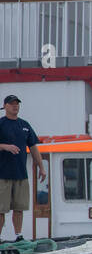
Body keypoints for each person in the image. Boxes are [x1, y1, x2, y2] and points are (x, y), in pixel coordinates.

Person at [0, 94, 45, 240]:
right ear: (5, 106)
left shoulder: (25, 125)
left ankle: (18, 235)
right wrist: (5, 147)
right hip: (2, 175)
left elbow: (33, 147)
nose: (15, 106)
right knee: (1, 210)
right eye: (12, 104)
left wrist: (41, 167)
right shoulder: (1, 124)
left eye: (17, 103)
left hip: (21, 174)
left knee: (19, 208)